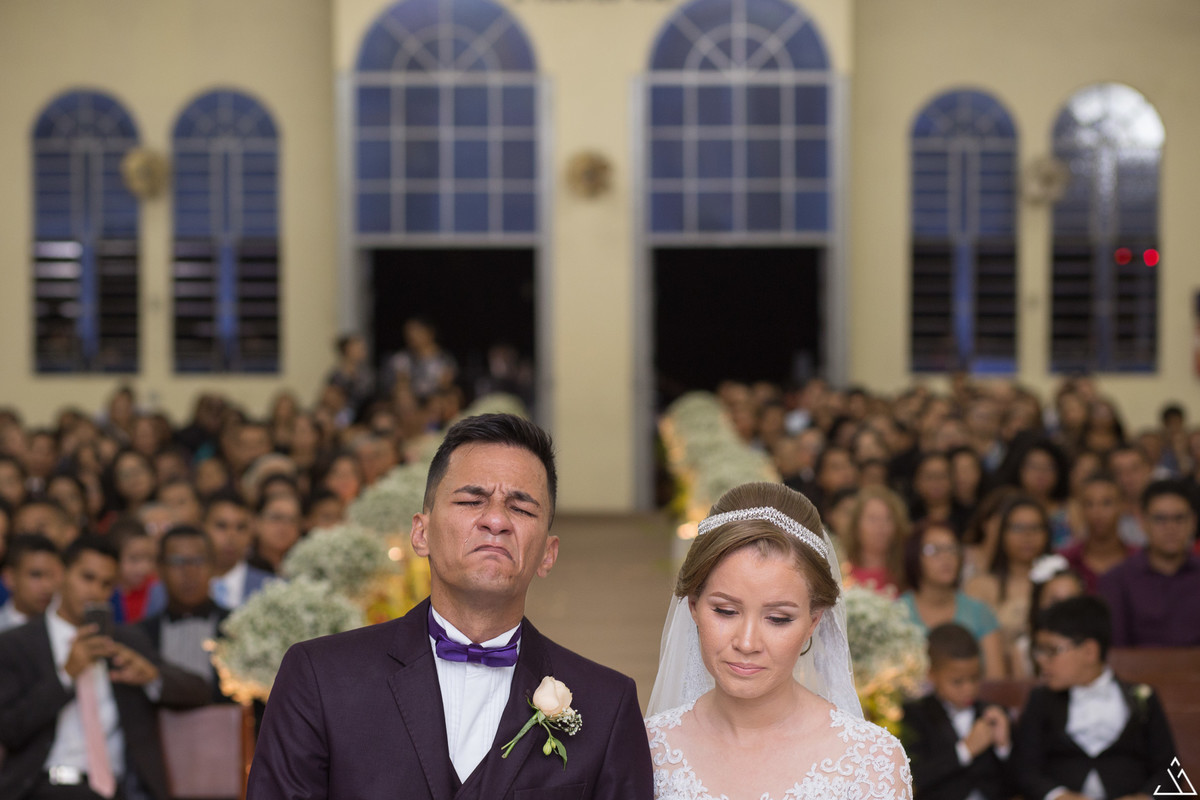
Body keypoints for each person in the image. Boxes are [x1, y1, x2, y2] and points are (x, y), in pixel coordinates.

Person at [248, 413, 653, 799]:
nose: (495, 520)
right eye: (471, 501)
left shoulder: (606, 705)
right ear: (420, 533)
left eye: (521, 507)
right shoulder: (321, 678)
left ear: (548, 554)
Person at [645, 481, 911, 799]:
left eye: (778, 619)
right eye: (726, 611)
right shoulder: (649, 748)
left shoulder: (870, 761)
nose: (746, 642)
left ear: (814, 621)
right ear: (693, 607)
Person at [0, 535, 210, 800]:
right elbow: (9, 729)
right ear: (61, 575)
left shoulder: (126, 641)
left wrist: (151, 677)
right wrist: (66, 675)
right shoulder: (16, 644)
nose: (95, 592)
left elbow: (200, 690)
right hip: (45, 786)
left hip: (121, 789)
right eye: (87, 578)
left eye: (106, 584)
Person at [1010, 596, 1176, 800]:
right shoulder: (1041, 701)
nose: (1042, 660)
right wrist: (1056, 795)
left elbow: (1171, 772)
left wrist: (1146, 797)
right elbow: (1024, 769)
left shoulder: (1143, 697)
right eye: (1040, 650)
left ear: (1089, 651)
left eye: (1052, 650)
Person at [901, 623, 1011, 800]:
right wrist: (965, 750)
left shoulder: (993, 714)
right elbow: (915, 777)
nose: (968, 689)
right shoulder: (915, 715)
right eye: (957, 682)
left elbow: (1017, 780)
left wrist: (1003, 747)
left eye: (975, 678)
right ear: (931, 674)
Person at [897, 521, 1005, 679]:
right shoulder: (896, 614)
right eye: (933, 550)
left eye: (952, 549)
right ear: (914, 556)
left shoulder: (979, 611)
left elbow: (996, 682)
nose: (946, 557)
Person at [1100, 479, 1200, 647]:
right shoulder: (1117, 581)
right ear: (1143, 521)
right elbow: (1116, 651)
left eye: (1179, 518)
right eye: (1160, 519)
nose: (1170, 527)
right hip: (1134, 672)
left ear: (1193, 522)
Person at [137, 526, 230, 702]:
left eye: (198, 561)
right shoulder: (141, 635)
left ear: (213, 566)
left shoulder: (236, 628)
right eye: (177, 561)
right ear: (160, 569)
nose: (189, 572)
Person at [963, 495, 1052, 677]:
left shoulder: (1058, 584)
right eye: (1018, 528)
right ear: (1002, 533)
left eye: (1035, 528)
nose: (1027, 536)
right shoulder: (978, 586)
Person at [1060, 474, 1133, 592]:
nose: (1097, 512)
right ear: (1080, 509)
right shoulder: (1064, 562)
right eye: (1089, 504)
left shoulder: (1141, 560)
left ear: (1122, 506)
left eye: (1106, 503)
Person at [204, 491, 273, 609]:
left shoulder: (272, 590)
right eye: (221, 525)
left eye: (241, 527)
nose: (232, 536)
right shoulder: (177, 589)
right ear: (202, 528)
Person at [840, 485, 910, 595]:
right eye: (872, 519)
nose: (880, 526)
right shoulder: (841, 571)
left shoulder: (909, 572)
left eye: (888, 519)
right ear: (856, 526)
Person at [0, 533, 62, 631]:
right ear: (9, 578)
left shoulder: (68, 627)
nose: (47, 586)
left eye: (52, 575)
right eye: (36, 575)